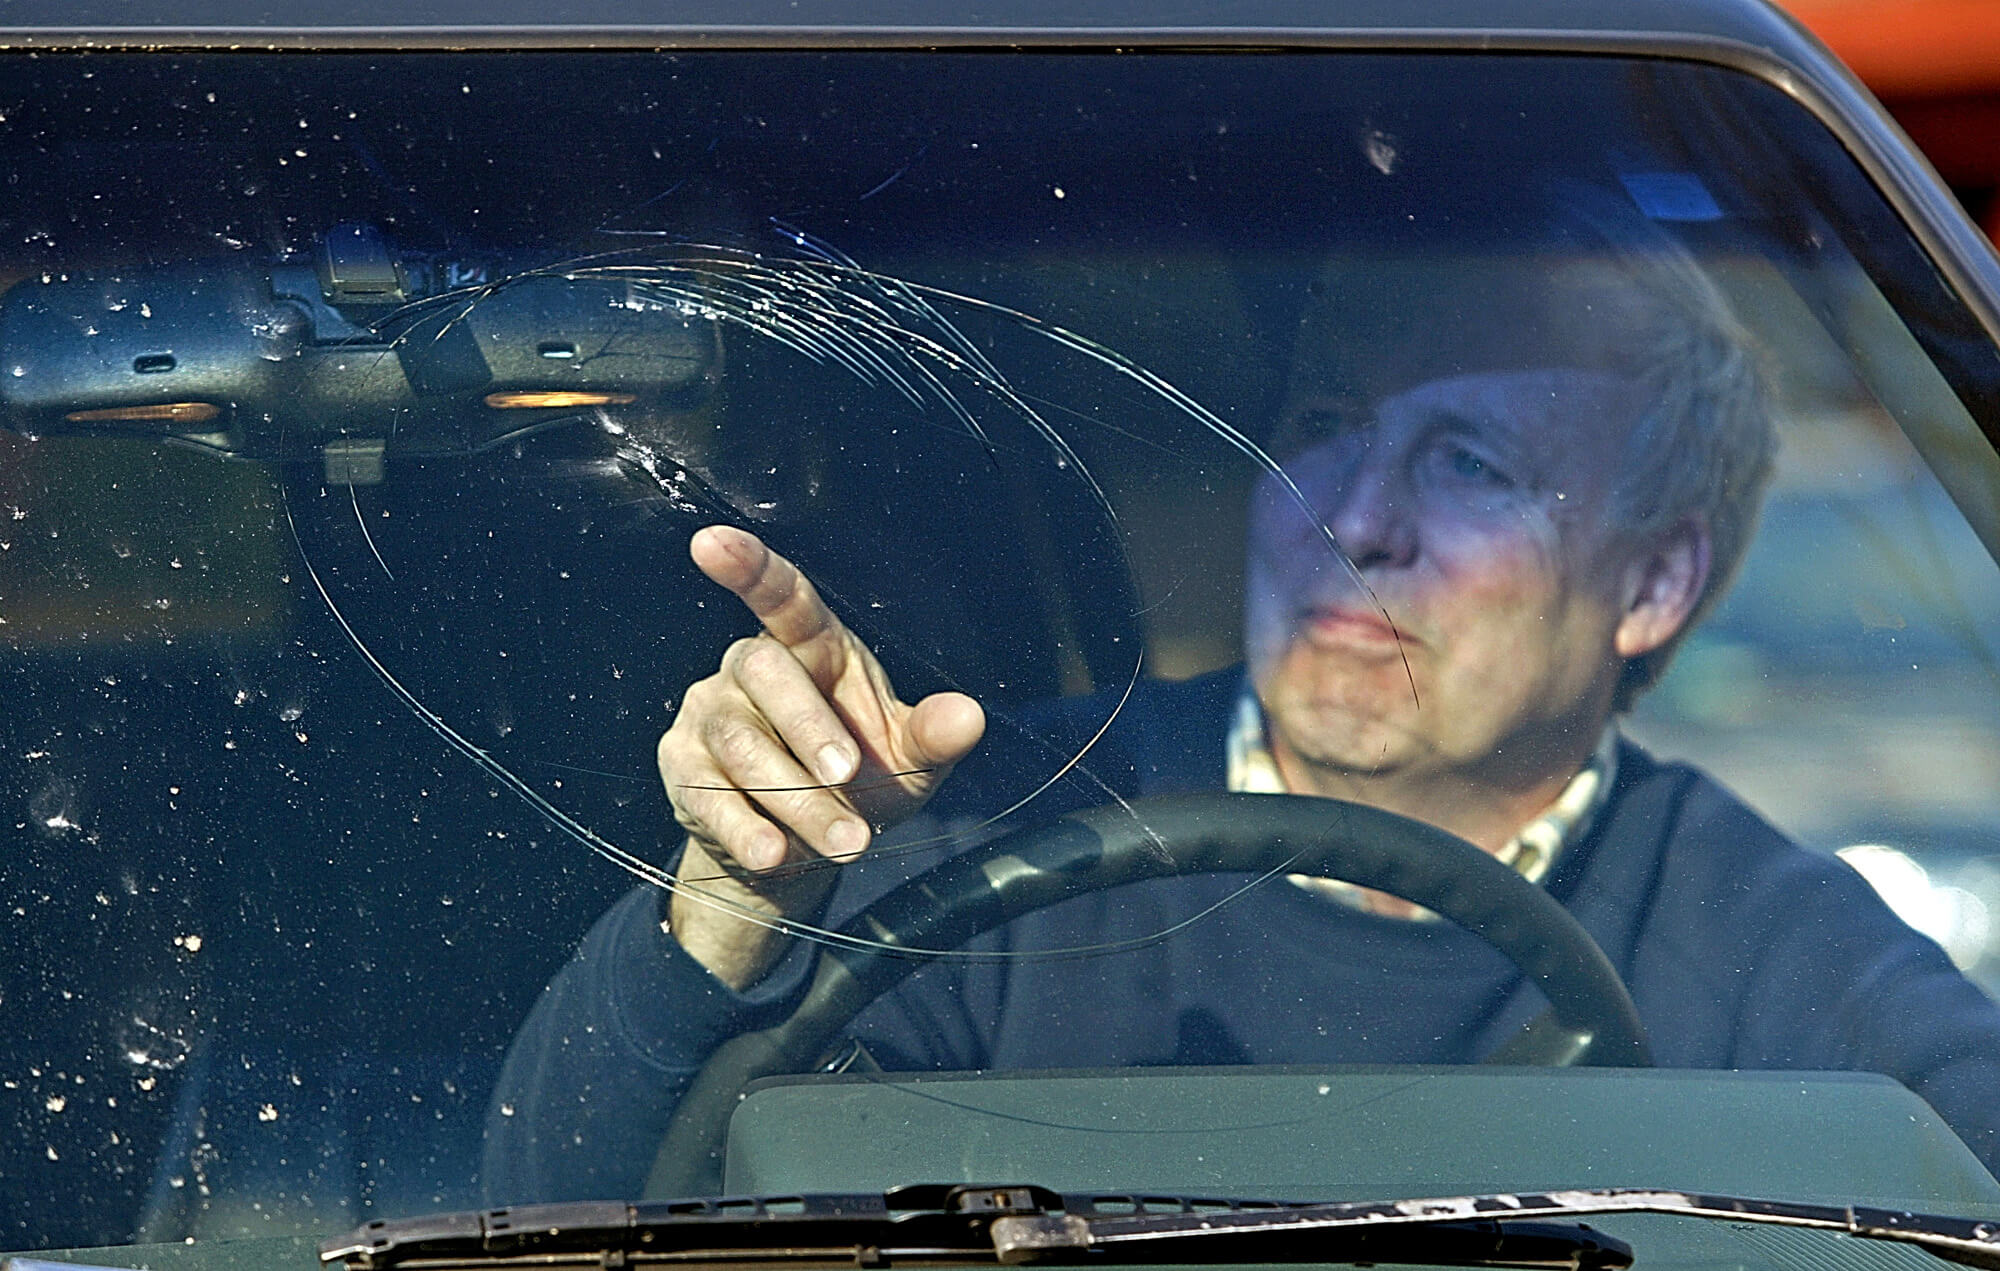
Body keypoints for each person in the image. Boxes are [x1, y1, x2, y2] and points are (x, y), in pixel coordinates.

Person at [482, 226, 2000, 1202]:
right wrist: (734, 906)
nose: (1355, 518)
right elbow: (555, 1211)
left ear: (1654, 583)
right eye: (1326, 425)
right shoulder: (994, 817)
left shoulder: (1767, 944)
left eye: (1468, 463)